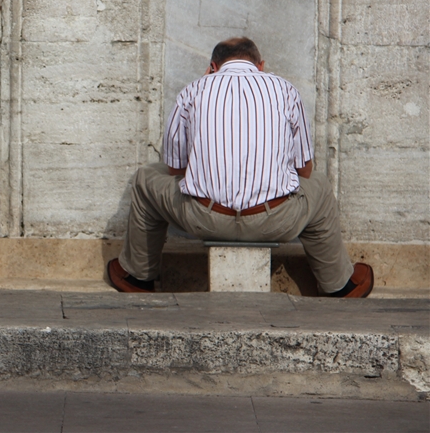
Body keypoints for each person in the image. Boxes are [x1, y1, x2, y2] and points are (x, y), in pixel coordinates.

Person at [108, 37, 373, 298]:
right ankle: (338, 285)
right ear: (261, 65)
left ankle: (138, 276)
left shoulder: (193, 90)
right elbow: (304, 171)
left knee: (145, 178)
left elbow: (175, 170)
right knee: (319, 186)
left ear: (213, 66)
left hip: (204, 219)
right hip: (275, 221)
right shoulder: (284, 89)